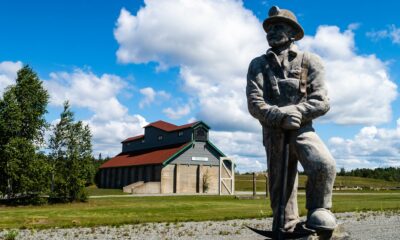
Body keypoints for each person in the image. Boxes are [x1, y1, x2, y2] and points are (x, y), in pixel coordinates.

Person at [246, 6, 337, 232]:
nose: (271, 32)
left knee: (323, 164)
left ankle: (319, 211)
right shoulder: (258, 64)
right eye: (268, 28)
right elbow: (254, 102)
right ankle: (286, 225)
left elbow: (322, 100)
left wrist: (297, 113)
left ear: (293, 33)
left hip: (302, 128)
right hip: (273, 131)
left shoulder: (309, 61)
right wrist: (279, 116)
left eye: (278, 27)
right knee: (280, 184)